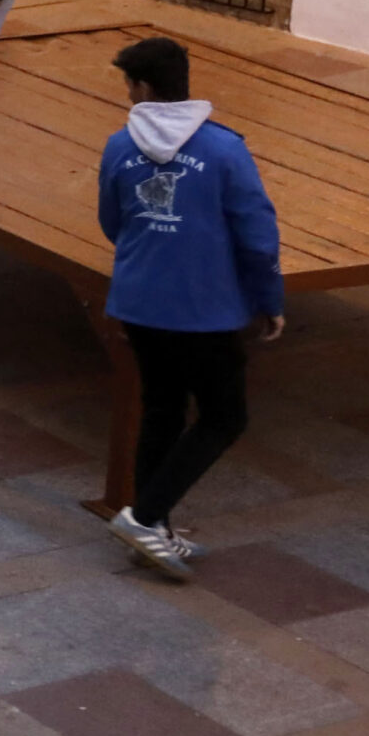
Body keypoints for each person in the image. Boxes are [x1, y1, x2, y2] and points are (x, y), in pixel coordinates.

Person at [99, 35, 283, 582]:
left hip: (139, 300)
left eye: (128, 83)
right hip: (204, 308)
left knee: (162, 410)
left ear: (144, 87)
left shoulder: (117, 146)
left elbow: (114, 221)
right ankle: (145, 518)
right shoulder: (224, 150)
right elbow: (256, 234)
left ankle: (154, 533)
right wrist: (269, 299)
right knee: (225, 417)